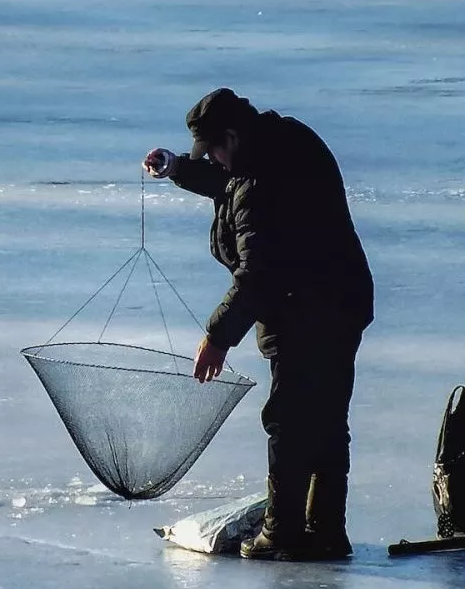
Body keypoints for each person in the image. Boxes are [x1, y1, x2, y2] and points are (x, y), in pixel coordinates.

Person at [142, 88, 374, 561]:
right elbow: (232, 181)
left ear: (232, 135)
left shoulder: (259, 177)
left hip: (306, 310)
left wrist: (217, 337)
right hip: (341, 301)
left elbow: (258, 272)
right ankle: (326, 530)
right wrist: (177, 168)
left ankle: (283, 532)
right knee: (327, 420)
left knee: (289, 421)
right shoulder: (278, 143)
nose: (216, 161)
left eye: (214, 151)